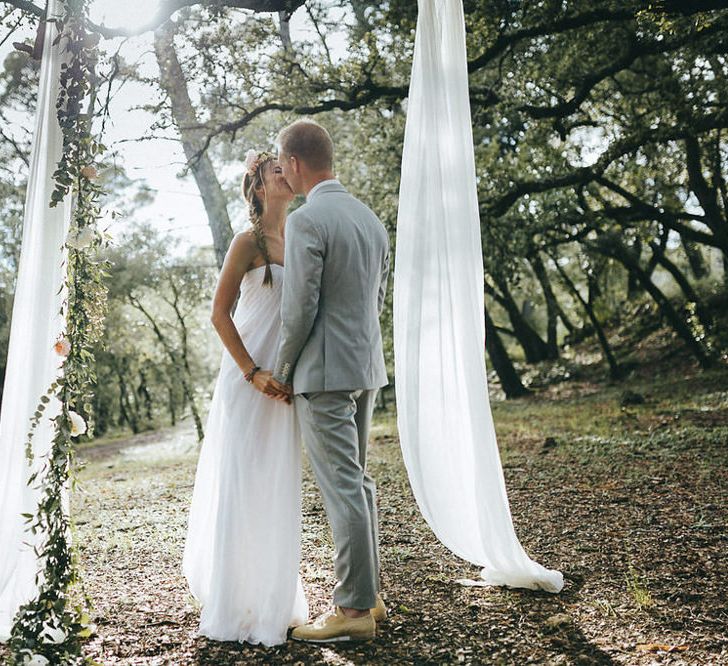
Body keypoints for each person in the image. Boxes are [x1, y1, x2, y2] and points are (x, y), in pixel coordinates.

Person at [264, 119, 390, 642]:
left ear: (293, 164)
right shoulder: (370, 219)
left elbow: (300, 311)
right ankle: (371, 596)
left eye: (281, 162)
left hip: (322, 373)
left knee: (343, 489)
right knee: (357, 483)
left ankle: (354, 612)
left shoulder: (307, 220)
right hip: (364, 368)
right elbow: (373, 301)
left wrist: (283, 371)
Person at [182, 150, 308, 647]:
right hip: (248, 379)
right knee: (243, 482)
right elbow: (219, 315)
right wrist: (252, 371)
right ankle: (235, 604)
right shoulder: (246, 242)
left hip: (285, 385)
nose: (286, 172)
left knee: (276, 483)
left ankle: (276, 598)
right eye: (277, 169)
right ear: (258, 186)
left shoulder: (300, 238)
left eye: (287, 167)